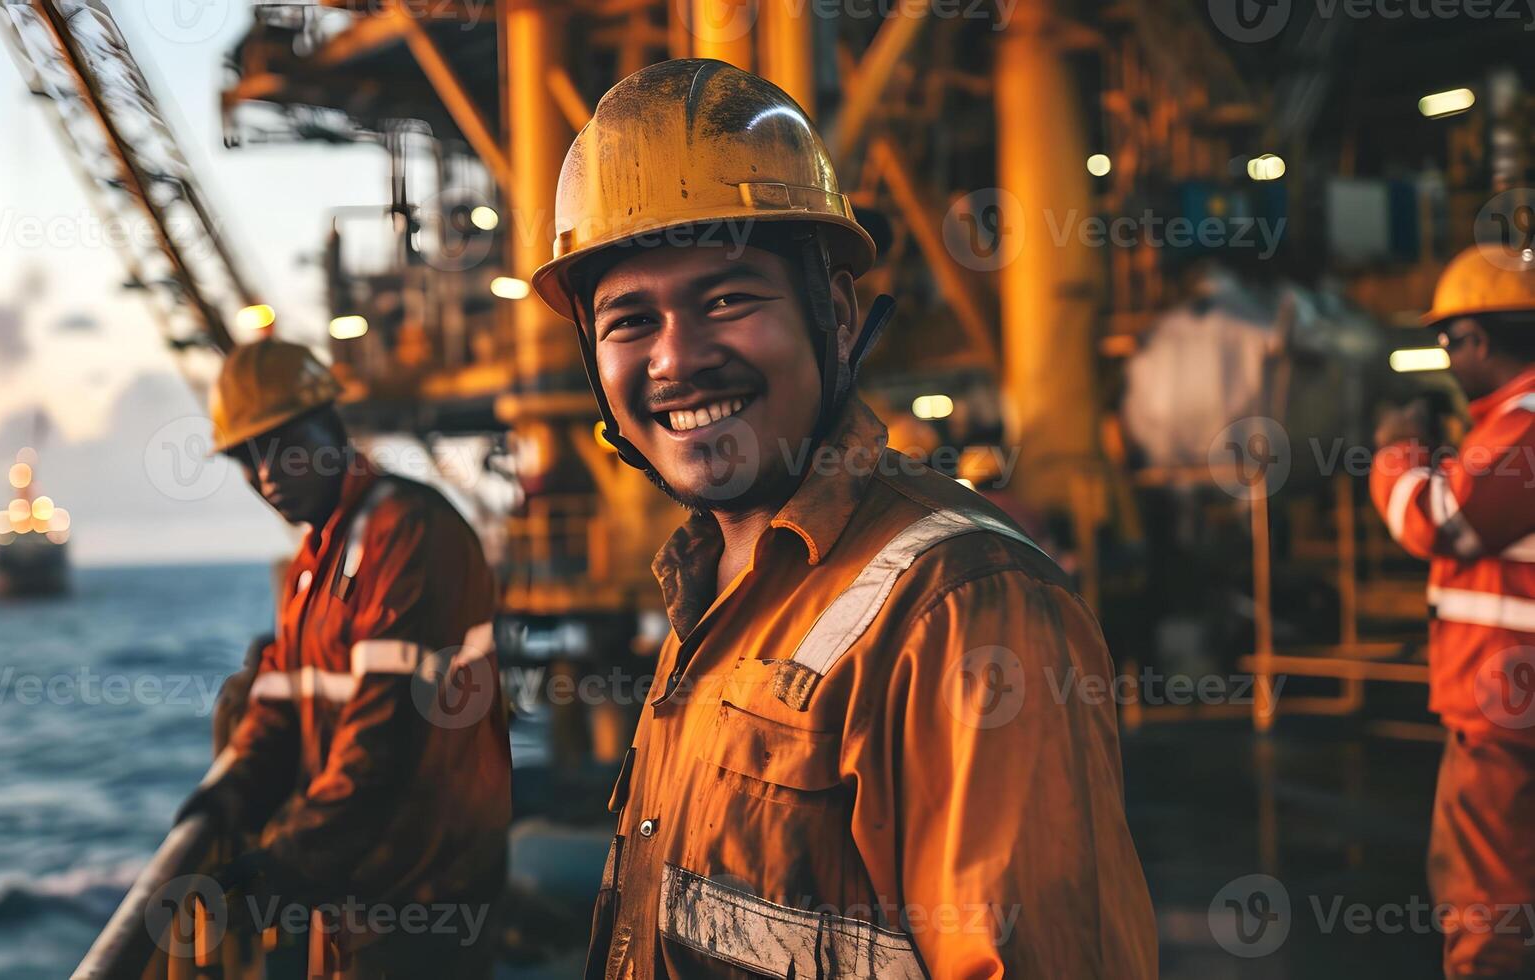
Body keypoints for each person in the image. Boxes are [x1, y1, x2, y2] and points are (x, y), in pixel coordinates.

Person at [529, 59, 1156, 978]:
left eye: (728, 299)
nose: (678, 360)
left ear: (834, 314)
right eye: (629, 321)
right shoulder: (710, 597)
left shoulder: (965, 608)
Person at [178, 338, 510, 978]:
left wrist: (289, 862)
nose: (266, 473)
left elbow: (384, 731)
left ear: (332, 429)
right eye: (247, 457)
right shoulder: (313, 564)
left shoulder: (409, 530)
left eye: (283, 446)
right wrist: (225, 799)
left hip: (421, 889)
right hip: (351, 884)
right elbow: (275, 702)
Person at [1372, 243, 1535, 978]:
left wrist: (1396, 453)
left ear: (1476, 339)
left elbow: (1441, 521)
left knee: (1483, 894)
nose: (1444, 356)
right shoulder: (1502, 424)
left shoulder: (1522, 423)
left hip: (1502, 704)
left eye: (1446, 341)